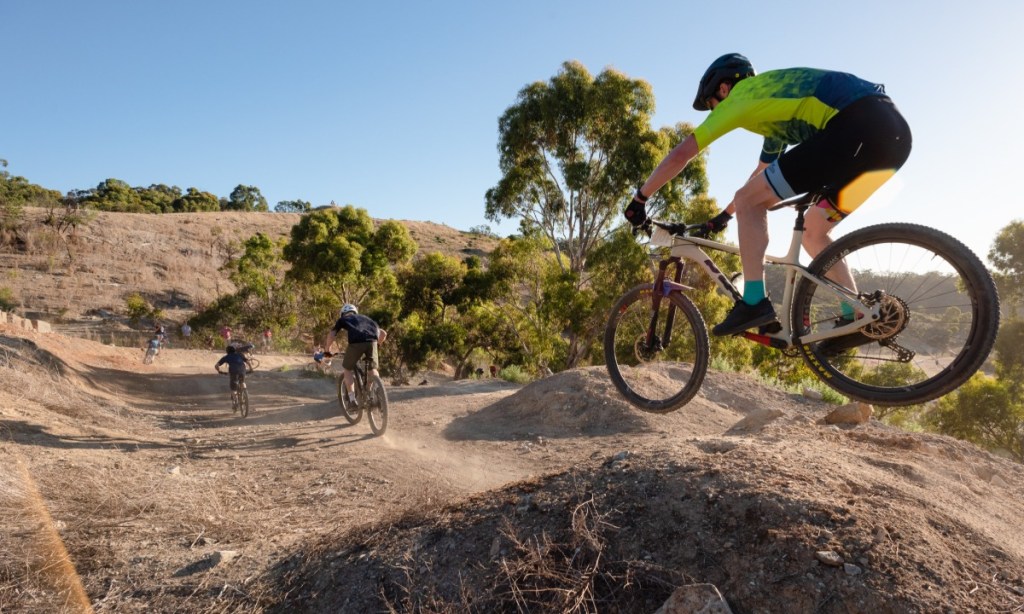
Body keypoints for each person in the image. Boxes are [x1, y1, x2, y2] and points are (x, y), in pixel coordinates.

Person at [625, 53, 911, 349]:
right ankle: (855, 315)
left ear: (723, 89)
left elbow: (682, 154)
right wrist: (723, 216)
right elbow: (760, 175)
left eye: (712, 105)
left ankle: (753, 302)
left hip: (855, 126)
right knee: (814, 231)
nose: (714, 111)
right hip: (891, 139)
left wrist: (640, 198)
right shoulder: (773, 109)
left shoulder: (741, 96)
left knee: (750, 202)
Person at [323, 303, 387, 407]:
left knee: (347, 369)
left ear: (343, 314)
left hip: (356, 343)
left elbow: (332, 334)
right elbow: (383, 334)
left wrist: (327, 349)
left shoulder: (343, 319)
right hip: (372, 342)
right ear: (356, 312)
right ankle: (376, 392)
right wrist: (377, 346)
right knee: (372, 369)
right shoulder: (367, 319)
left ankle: (352, 400)